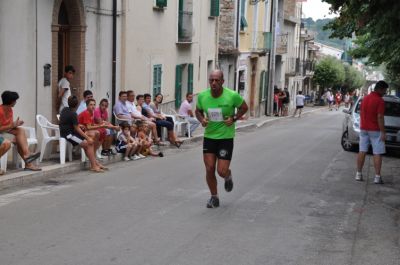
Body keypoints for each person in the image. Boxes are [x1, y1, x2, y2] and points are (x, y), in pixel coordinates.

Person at [195, 70, 248, 208]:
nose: (213, 83)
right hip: (209, 136)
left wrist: (234, 118)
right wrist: (202, 120)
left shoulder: (232, 96)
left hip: (226, 137)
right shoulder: (202, 96)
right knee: (209, 168)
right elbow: (198, 110)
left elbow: (244, 107)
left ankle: (228, 175)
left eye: (217, 80)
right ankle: (214, 197)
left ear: (222, 81)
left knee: (221, 171)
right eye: (211, 80)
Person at [59, 96, 107, 173]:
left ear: (68, 103)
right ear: (77, 105)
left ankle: (95, 164)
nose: (93, 106)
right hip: (68, 135)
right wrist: (87, 137)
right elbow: (77, 128)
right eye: (91, 104)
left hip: (68, 132)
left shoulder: (64, 110)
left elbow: (69, 123)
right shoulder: (73, 113)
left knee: (88, 143)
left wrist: (79, 126)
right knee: (88, 143)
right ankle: (94, 165)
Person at [356, 80, 389, 184]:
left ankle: (358, 174)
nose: (385, 93)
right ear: (380, 89)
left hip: (364, 128)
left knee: (362, 150)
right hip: (375, 130)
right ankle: (377, 177)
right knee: (377, 152)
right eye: (385, 90)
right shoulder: (380, 101)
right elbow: (380, 117)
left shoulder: (365, 99)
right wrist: (383, 132)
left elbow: (361, 113)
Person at [0, 91, 41, 171]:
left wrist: (15, 125)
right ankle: (28, 162)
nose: (16, 102)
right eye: (15, 100)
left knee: (20, 131)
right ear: (11, 101)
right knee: (19, 140)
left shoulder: (10, 110)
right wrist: (12, 125)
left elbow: (9, 126)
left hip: (6, 132)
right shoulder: (0, 111)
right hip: (1, 134)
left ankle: (27, 154)